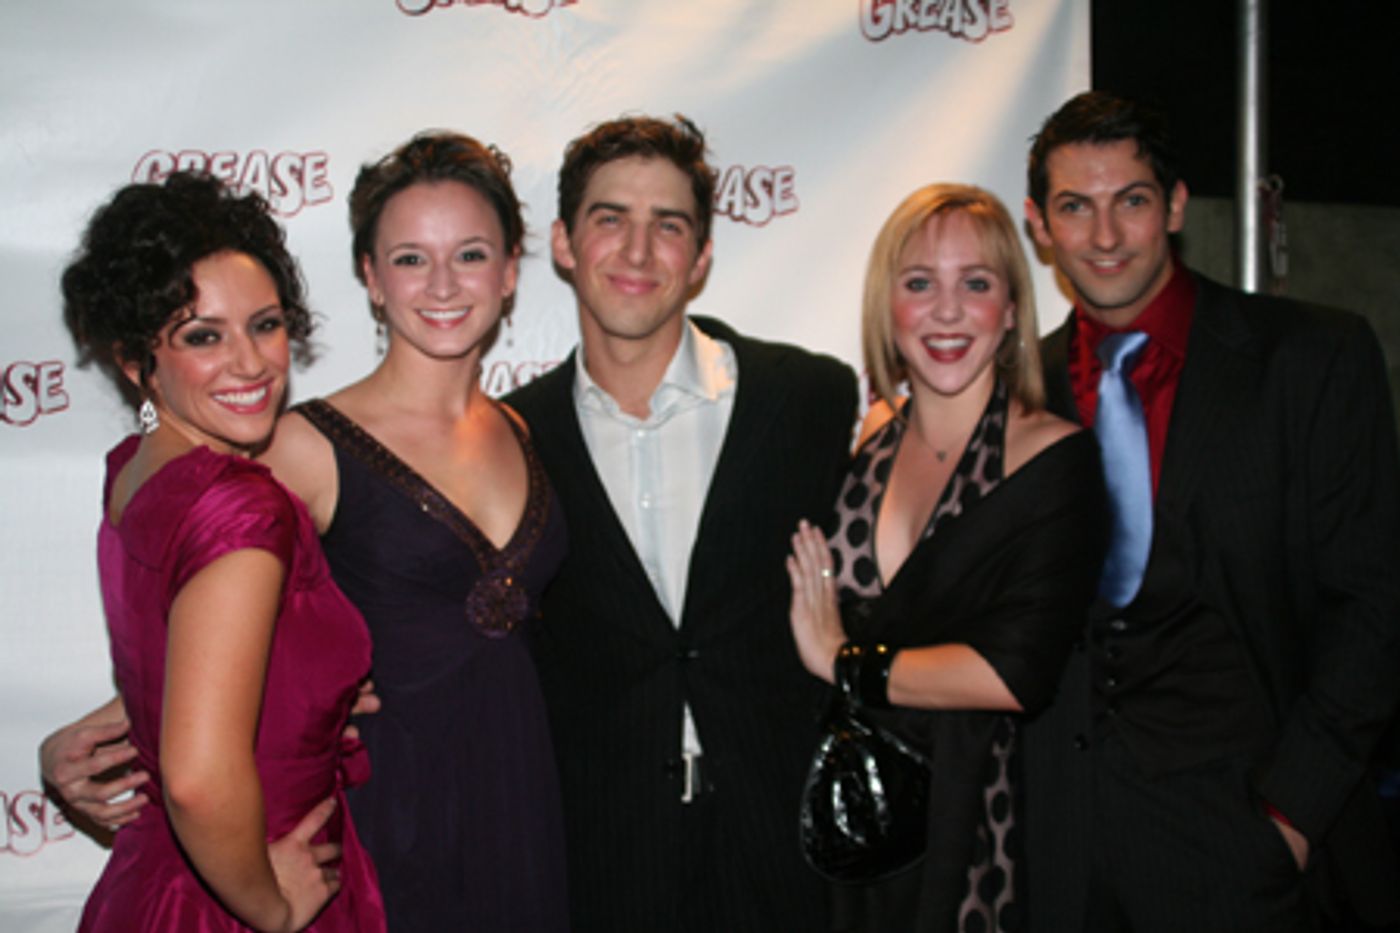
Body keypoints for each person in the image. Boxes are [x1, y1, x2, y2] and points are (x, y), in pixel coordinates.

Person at [44, 133, 569, 932]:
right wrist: (89, 734)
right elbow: (199, 628)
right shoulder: (292, 448)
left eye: (469, 253)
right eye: (410, 258)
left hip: (518, 800)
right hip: (389, 818)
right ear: (370, 276)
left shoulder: (525, 427)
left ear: (509, 270)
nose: (443, 284)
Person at [1018, 91, 1400, 932]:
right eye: (1075, 207)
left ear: (1177, 205)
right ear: (1039, 225)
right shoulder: (1015, 395)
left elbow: (1374, 607)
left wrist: (1290, 818)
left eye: (1132, 201)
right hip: (1057, 860)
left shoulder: (1311, 358)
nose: (1105, 236)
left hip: (1248, 849)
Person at [507, 114, 856, 932]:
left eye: (667, 225)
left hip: (781, 850)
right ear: (563, 243)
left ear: (700, 257)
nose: (637, 251)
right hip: (601, 857)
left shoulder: (807, 398)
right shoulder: (511, 438)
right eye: (610, 219)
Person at [59, 172, 384, 931]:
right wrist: (272, 907)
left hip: (158, 880)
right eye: (203, 336)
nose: (251, 363)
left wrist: (312, 697)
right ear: (136, 361)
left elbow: (181, 666)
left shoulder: (136, 471)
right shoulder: (240, 507)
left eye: (264, 325)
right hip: (238, 890)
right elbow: (199, 781)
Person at [786, 183, 1107, 933]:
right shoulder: (869, 439)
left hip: (974, 826)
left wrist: (844, 660)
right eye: (920, 283)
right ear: (887, 304)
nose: (948, 311)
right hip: (849, 824)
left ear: (1013, 309)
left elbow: (1015, 672)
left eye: (977, 284)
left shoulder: (1052, 460)